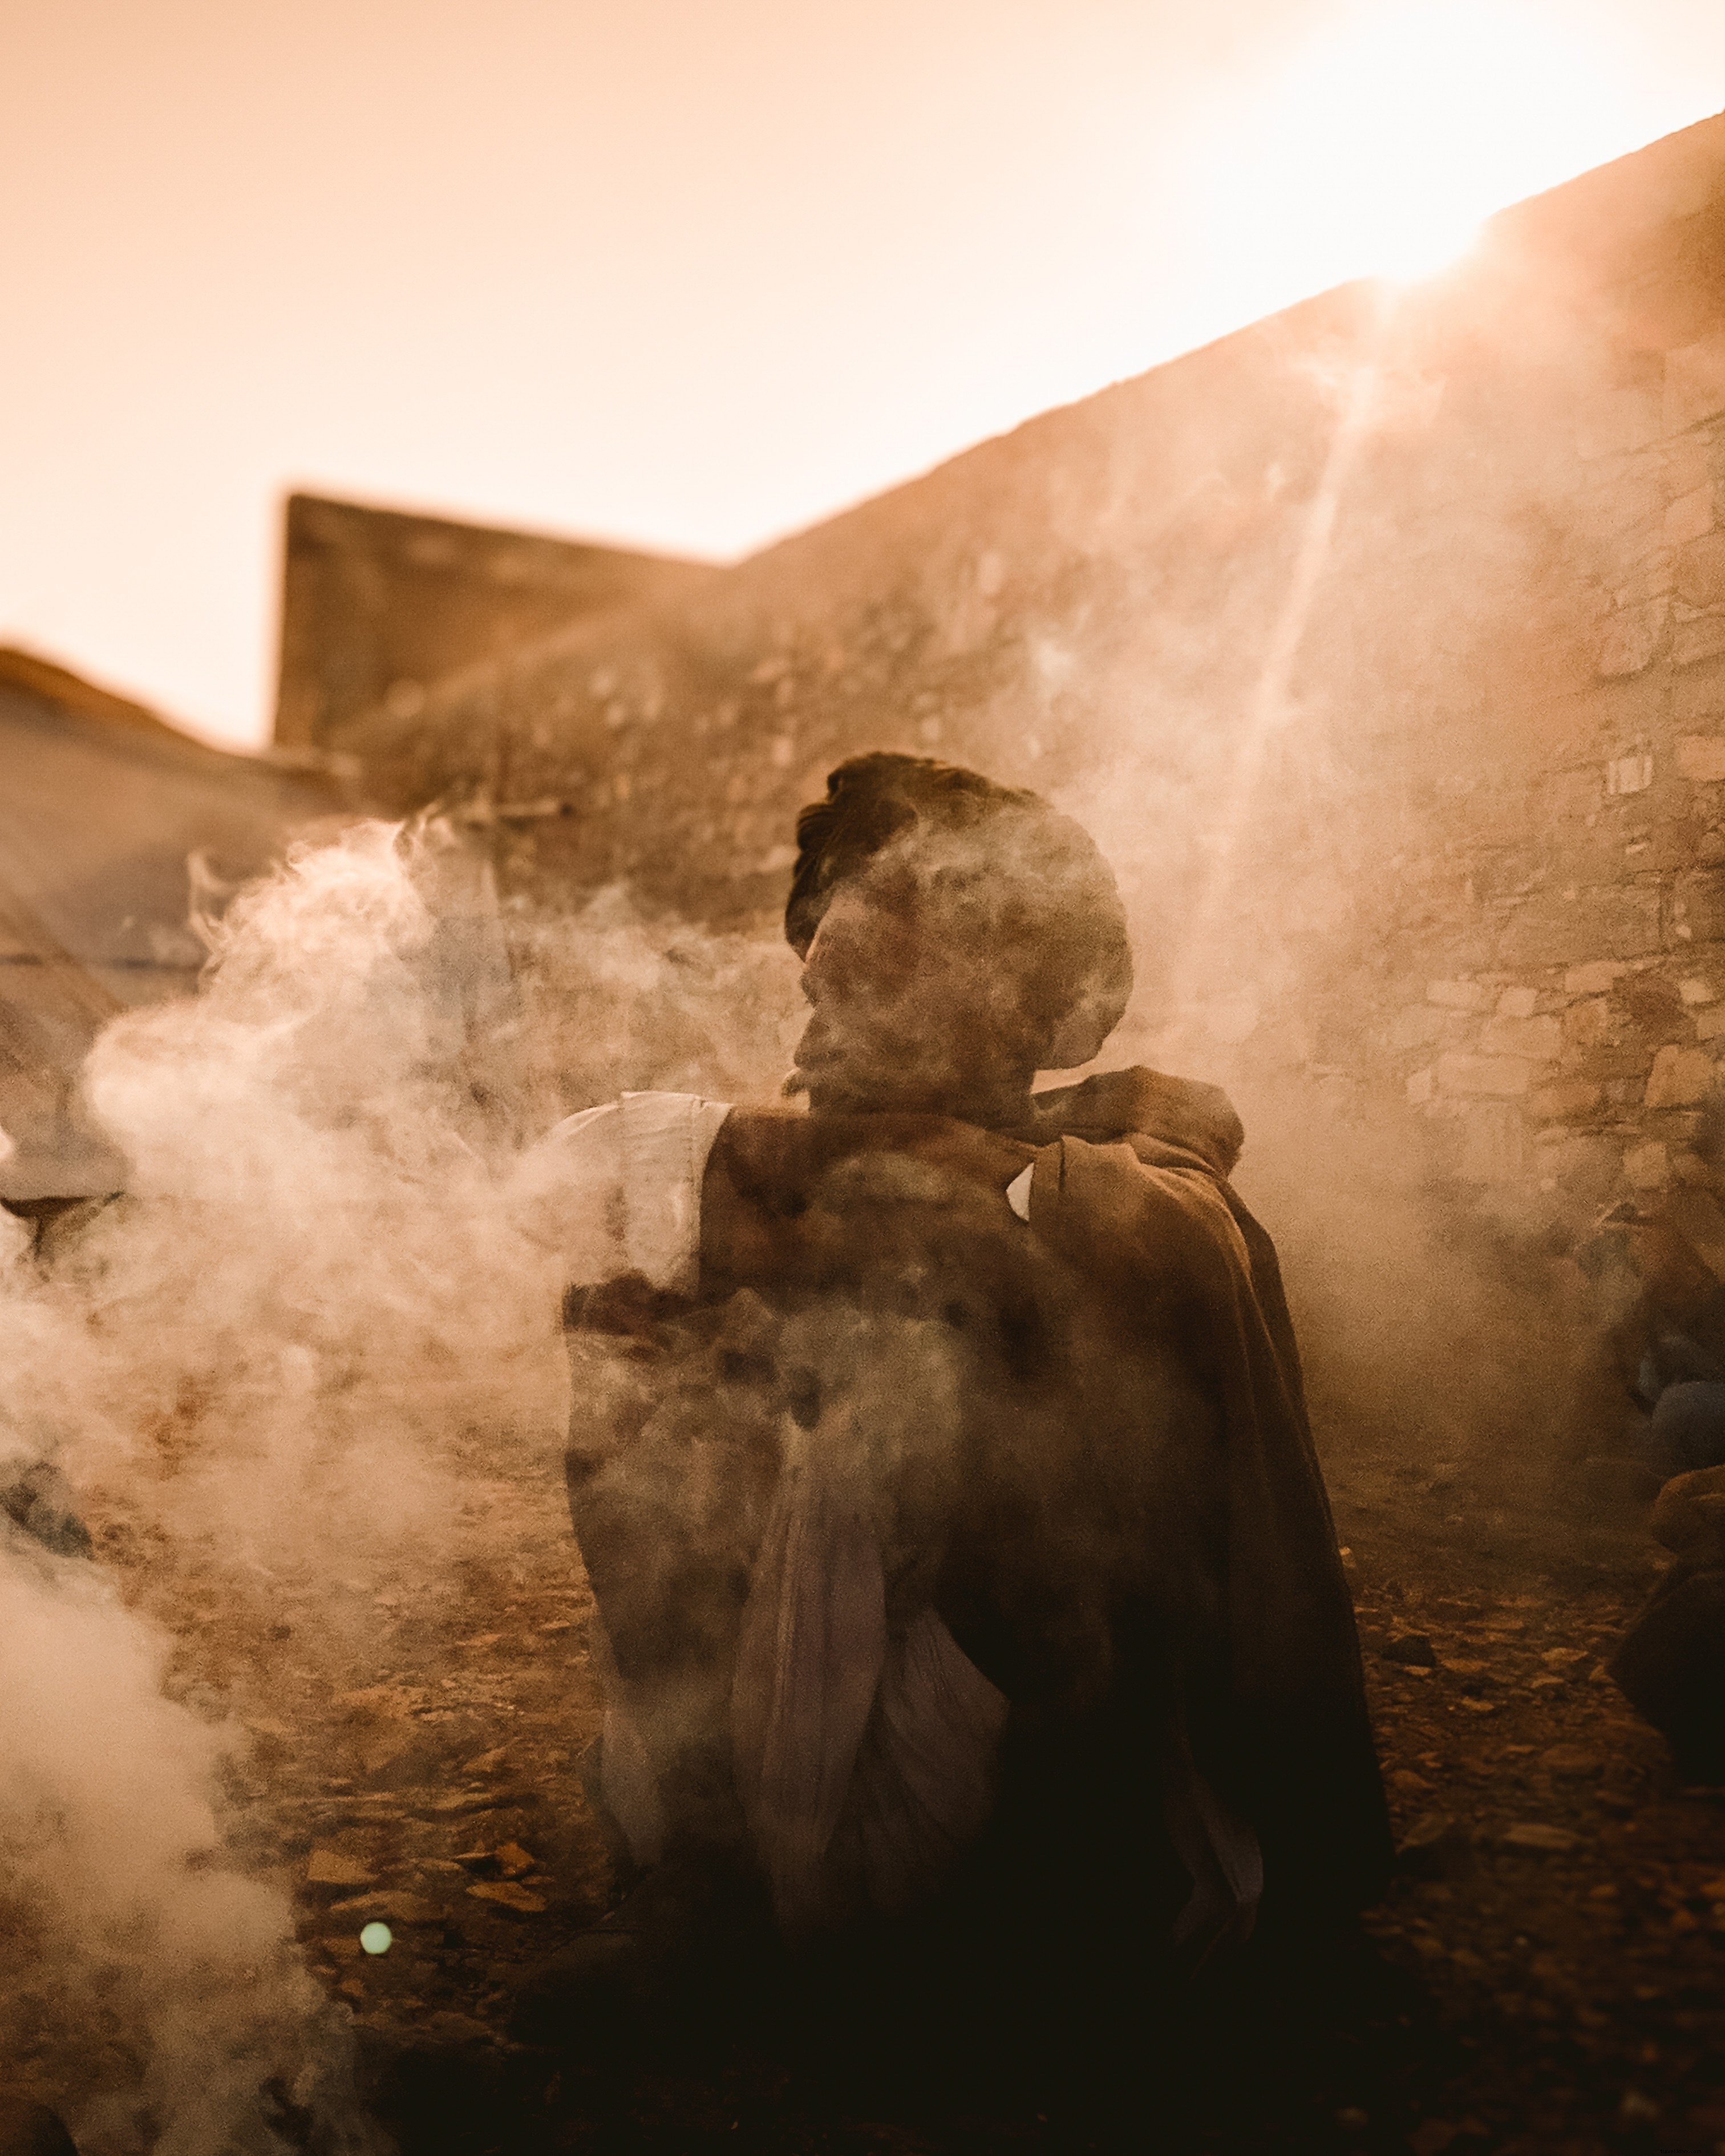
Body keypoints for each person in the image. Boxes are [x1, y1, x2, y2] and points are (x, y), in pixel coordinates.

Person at [512, 753, 1389, 2053]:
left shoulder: (1133, 1194)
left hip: (1055, 1819)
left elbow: (1047, 1240)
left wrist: (888, 1188)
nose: (814, 1046)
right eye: (817, 990)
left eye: (876, 986)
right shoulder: (824, 1199)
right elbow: (583, 1174)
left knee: (1006, 1307)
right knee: (638, 1306)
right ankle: (709, 1876)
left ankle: (1045, 1919)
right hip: (790, 1772)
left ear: (1042, 1018)